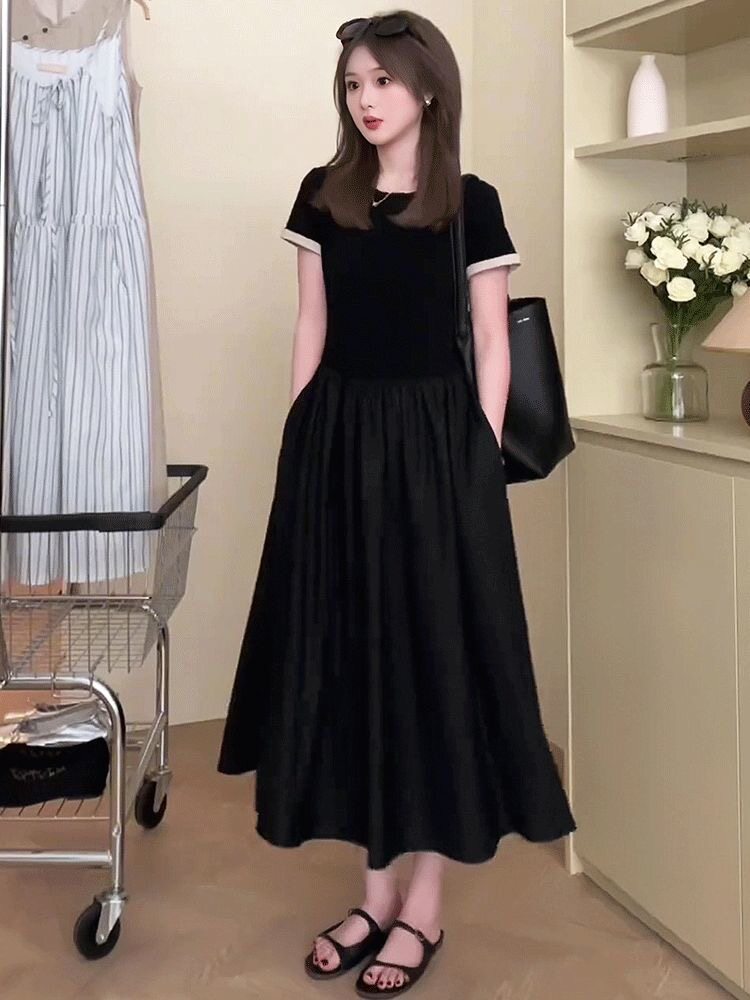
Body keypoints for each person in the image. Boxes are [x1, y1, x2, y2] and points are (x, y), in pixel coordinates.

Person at [218, 9, 576, 996]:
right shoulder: (322, 194)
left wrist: (476, 456)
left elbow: (493, 341)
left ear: (426, 87)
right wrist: (300, 439)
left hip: (436, 449)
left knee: (433, 663)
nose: (365, 99)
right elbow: (312, 322)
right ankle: (374, 893)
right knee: (355, 657)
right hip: (338, 442)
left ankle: (424, 905)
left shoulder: (472, 202)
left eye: (381, 80)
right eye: (352, 84)